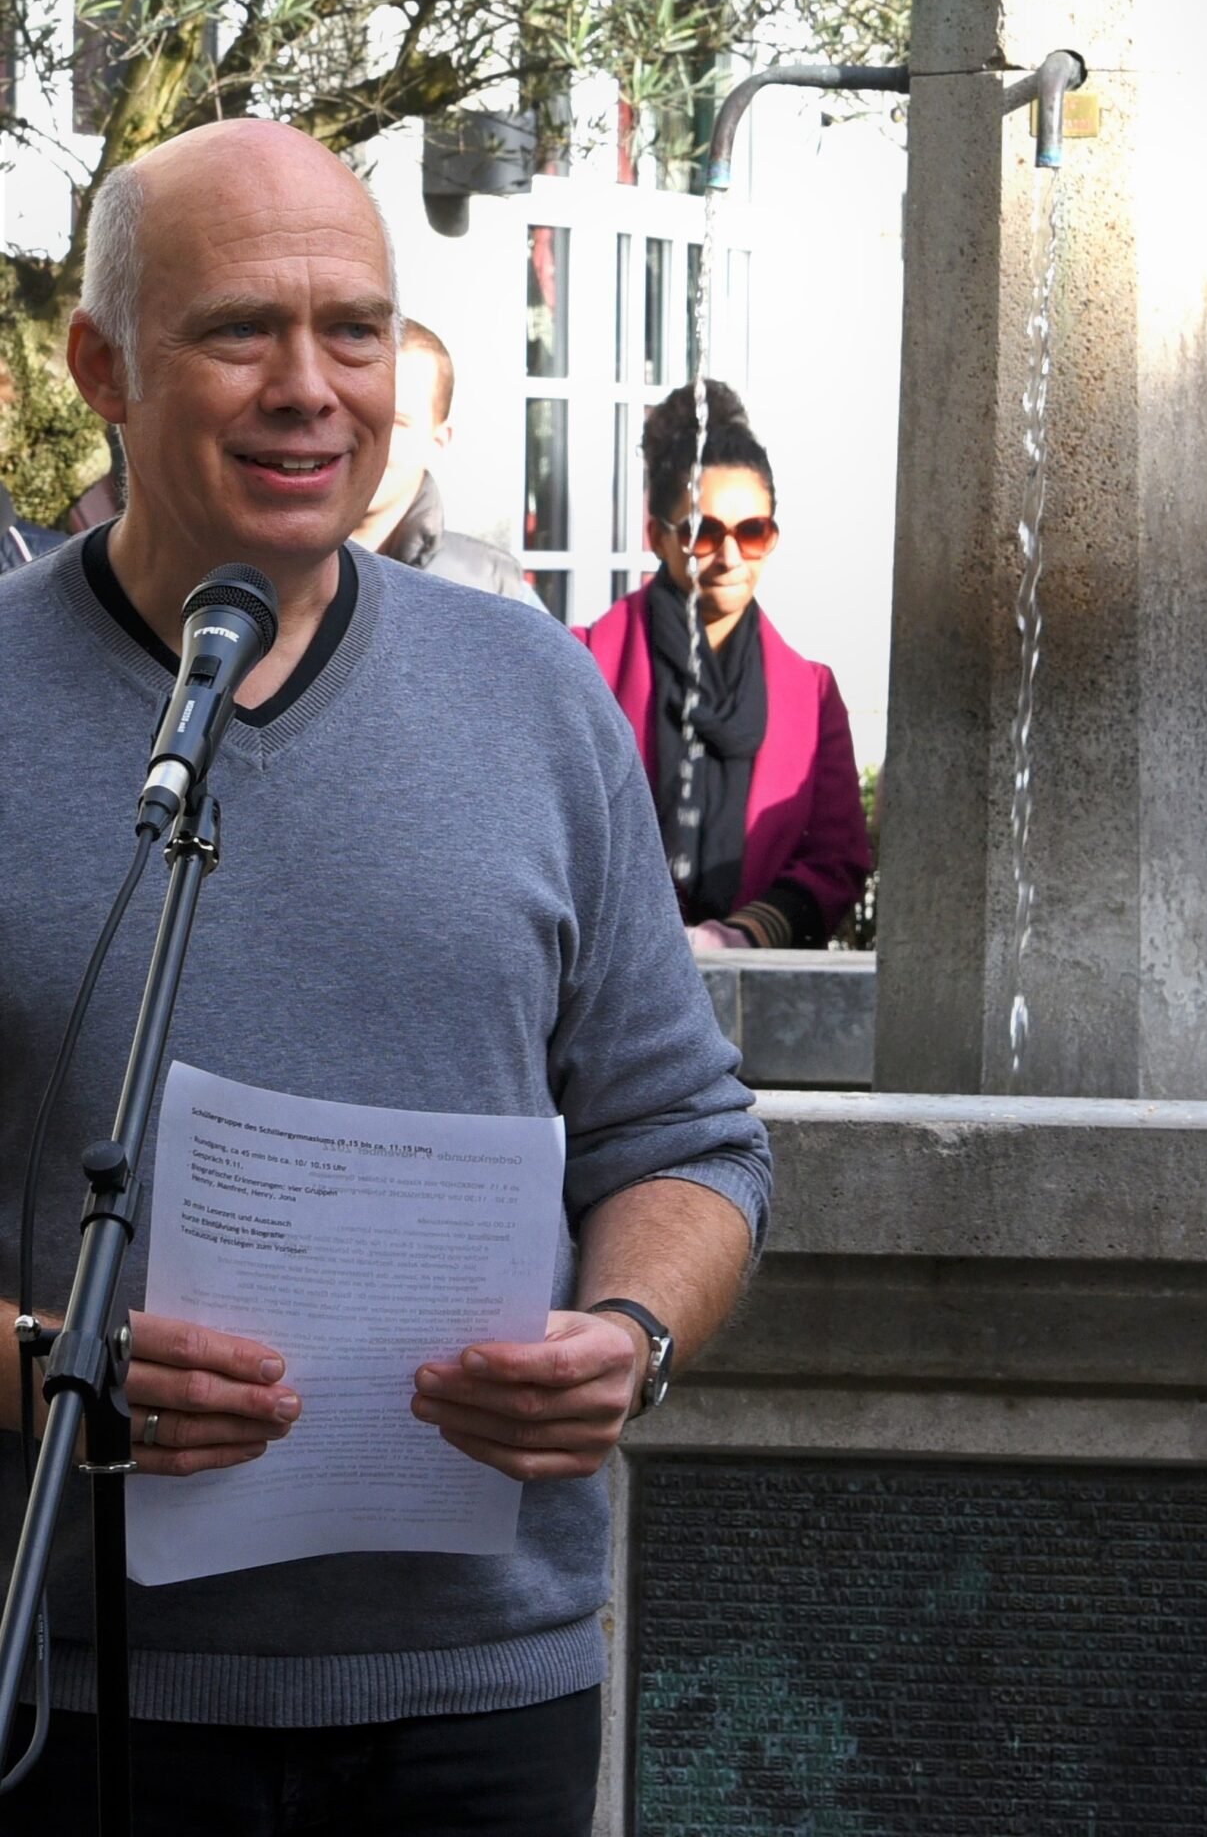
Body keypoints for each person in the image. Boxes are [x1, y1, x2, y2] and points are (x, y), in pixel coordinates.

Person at [0, 119, 769, 1834]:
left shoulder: (535, 699)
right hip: (63, 1695)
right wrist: (50, 1364)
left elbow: (689, 1143)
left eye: (351, 329)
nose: (310, 387)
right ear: (101, 368)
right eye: (238, 332)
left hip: (474, 1703)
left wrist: (628, 1334)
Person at [577, 383, 871, 952]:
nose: (730, 556)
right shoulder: (585, 665)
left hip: (761, 998)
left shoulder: (812, 696)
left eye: (752, 532)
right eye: (702, 532)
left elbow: (836, 860)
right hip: (606, 990)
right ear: (658, 538)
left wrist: (737, 937)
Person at [349, 316, 536, 601]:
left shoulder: (492, 587)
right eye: (356, 414)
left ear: (437, 440)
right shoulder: (267, 573)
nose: (371, 442)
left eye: (397, 422)